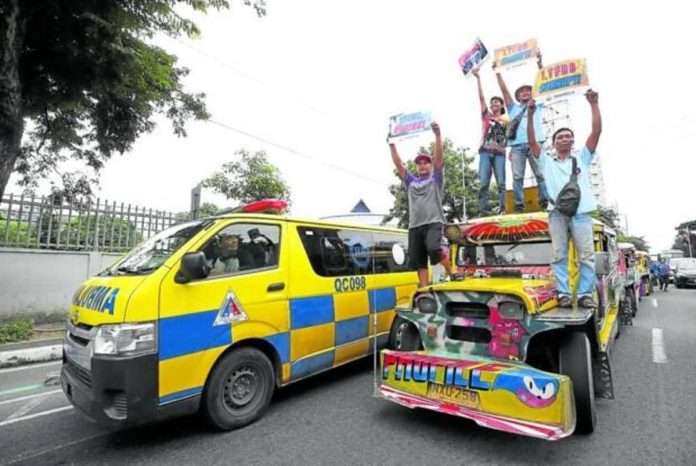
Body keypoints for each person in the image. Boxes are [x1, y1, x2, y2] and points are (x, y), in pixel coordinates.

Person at [527, 89, 602, 308]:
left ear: (572, 140)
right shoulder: (546, 162)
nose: (564, 138)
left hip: (581, 215)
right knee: (559, 255)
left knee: (587, 256)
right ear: (553, 142)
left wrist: (594, 105)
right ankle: (564, 293)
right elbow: (532, 142)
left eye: (568, 136)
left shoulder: (582, 158)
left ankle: (585, 293)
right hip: (556, 214)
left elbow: (596, 132)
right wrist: (531, 115)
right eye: (560, 136)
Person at [388, 122, 454, 287]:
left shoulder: (435, 180)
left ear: (431, 166)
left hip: (433, 222)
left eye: (426, 162)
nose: (422, 165)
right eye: (419, 163)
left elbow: (439, 158)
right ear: (416, 167)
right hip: (414, 225)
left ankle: (451, 271)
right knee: (418, 259)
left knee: (433, 248)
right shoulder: (411, 182)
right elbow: (399, 165)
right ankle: (424, 287)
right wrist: (392, 144)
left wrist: (438, 135)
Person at [494, 51, 549, 212]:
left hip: (536, 144)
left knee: (540, 174)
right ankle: (519, 206)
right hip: (517, 146)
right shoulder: (513, 108)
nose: (525, 92)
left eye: (528, 90)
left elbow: (544, 83)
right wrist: (498, 73)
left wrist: (540, 63)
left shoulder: (537, 105)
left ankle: (545, 203)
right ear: (518, 97)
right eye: (521, 91)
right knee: (517, 177)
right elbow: (504, 92)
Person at [472, 67, 508, 216]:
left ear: (501, 105)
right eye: (492, 102)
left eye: (496, 102)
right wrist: (478, 78)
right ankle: (483, 210)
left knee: (501, 183)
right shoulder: (487, 117)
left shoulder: (507, 120)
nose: (493, 103)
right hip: (486, 151)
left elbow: (511, 136)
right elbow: (481, 98)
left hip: (500, 153)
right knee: (484, 183)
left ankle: (502, 208)